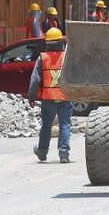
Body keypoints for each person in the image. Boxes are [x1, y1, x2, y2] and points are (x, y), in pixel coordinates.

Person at [29, 28, 73, 163]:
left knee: (46, 125)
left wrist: (31, 97)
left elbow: (35, 80)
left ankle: (42, 151)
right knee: (65, 124)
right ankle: (64, 153)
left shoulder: (42, 58)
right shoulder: (67, 57)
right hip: (65, 96)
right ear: (61, 42)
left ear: (47, 43)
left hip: (48, 98)